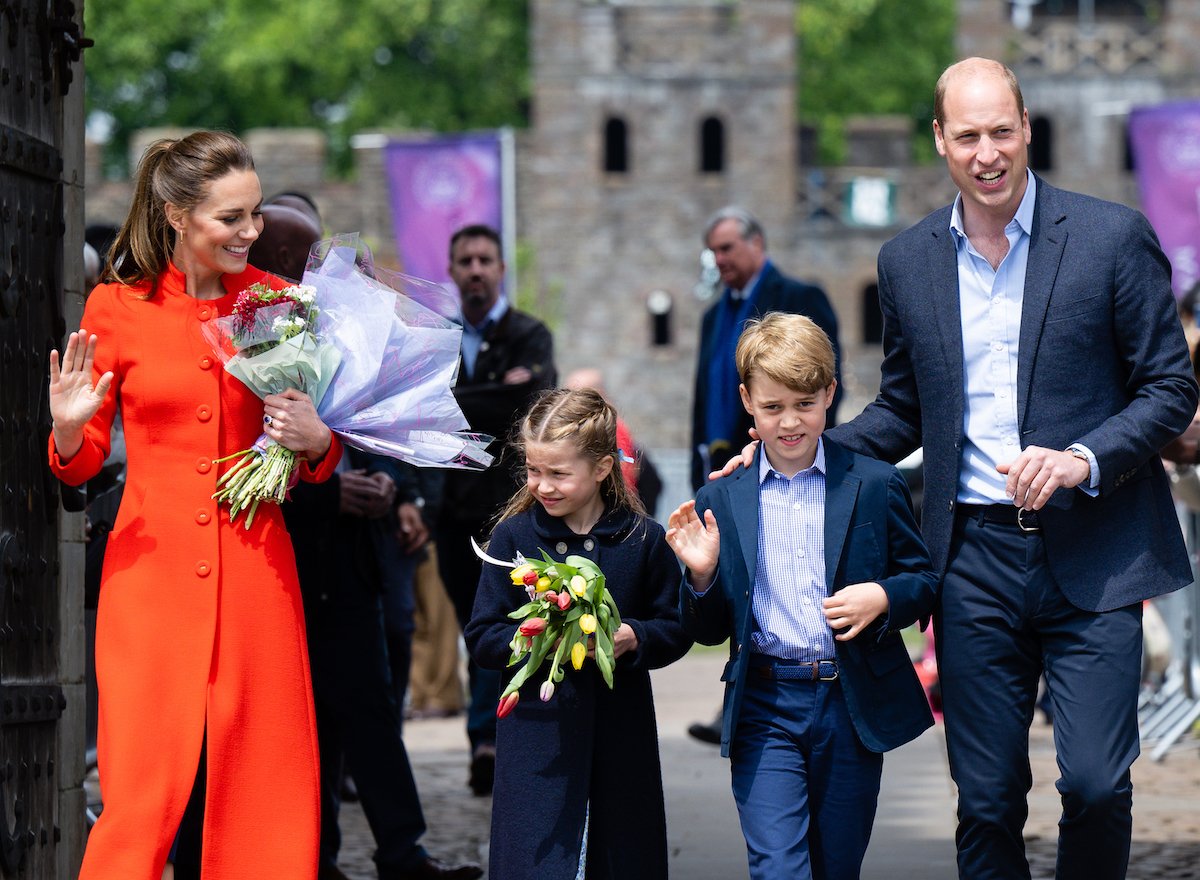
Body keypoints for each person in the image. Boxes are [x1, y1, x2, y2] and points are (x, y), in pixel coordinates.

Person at [719, 58, 1200, 879]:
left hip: (1101, 548)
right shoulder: (907, 261)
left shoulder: (1112, 237)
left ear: (1027, 130)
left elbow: (1171, 386)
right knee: (984, 800)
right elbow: (904, 407)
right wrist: (795, 449)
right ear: (940, 140)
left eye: (1002, 131)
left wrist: (1084, 458)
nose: (988, 153)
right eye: (968, 135)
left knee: (1092, 782)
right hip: (971, 560)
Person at [48, 131, 342, 878]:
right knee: (139, 797)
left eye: (254, 215)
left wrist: (316, 442)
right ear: (177, 215)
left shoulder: (278, 305)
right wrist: (68, 428)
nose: (252, 232)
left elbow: (316, 451)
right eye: (231, 218)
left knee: (267, 793)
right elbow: (77, 466)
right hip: (149, 581)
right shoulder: (115, 309)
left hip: (257, 580)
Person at [250, 199, 481, 880]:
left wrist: (388, 487)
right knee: (307, 723)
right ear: (274, 260)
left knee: (374, 710)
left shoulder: (340, 330)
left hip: (356, 561)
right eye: (299, 256)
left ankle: (404, 853)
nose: (315, 268)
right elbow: (248, 462)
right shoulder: (253, 339)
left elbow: (376, 423)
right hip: (292, 558)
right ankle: (312, 858)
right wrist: (325, 492)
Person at [667, 313, 937, 879]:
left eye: (805, 404)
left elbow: (923, 580)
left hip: (848, 701)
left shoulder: (874, 483)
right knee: (777, 867)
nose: (790, 422)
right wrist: (701, 577)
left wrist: (883, 598)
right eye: (772, 407)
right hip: (764, 705)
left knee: (835, 867)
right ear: (747, 402)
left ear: (830, 394)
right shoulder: (721, 496)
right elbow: (710, 629)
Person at [465, 388, 691, 879]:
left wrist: (634, 637)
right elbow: (481, 635)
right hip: (535, 739)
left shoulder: (642, 539)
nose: (543, 485)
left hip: (619, 732)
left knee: (621, 855)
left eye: (559, 473)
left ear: (603, 469)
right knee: (537, 860)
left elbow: (675, 628)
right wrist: (532, 637)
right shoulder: (515, 537)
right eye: (534, 471)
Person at [436, 223, 557, 795]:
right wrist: (493, 398)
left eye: (486, 259)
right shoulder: (436, 339)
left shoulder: (530, 334)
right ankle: (485, 736)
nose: (477, 270)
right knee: (470, 625)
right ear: (454, 270)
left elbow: (531, 404)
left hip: (511, 510)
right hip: (452, 511)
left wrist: (458, 403)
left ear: (501, 269)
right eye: (466, 260)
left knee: (508, 618)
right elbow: (420, 412)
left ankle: (492, 738)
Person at [690, 205, 842, 492]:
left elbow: (826, 379)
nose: (718, 259)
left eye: (726, 248)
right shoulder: (712, 317)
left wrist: (810, 455)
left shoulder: (799, 297)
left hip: (784, 464)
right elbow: (703, 395)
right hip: (718, 468)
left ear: (756, 243)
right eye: (713, 252)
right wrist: (697, 469)